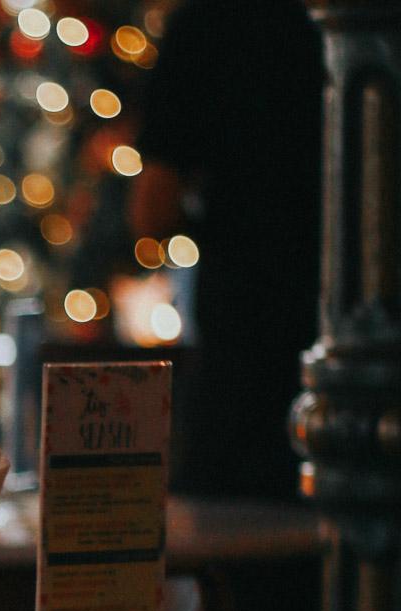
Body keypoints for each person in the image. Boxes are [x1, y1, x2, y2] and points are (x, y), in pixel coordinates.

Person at [129, 0, 323, 500]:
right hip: (348, 320)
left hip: (243, 318)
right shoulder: (327, 20)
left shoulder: (203, 25)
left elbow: (153, 207)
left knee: (228, 520)